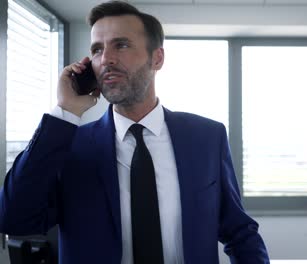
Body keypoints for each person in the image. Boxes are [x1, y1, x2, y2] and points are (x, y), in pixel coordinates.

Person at [0, 1, 270, 263]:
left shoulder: (207, 137)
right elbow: (13, 217)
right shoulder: (70, 144)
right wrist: (65, 111)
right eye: (96, 49)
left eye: (122, 45)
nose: (106, 59)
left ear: (157, 58)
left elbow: (239, 232)